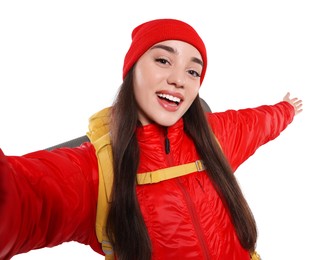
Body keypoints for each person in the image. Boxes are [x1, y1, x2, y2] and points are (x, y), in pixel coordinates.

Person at [0, 18, 303, 260]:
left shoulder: (216, 137)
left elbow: (259, 122)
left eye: (193, 71)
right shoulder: (96, 171)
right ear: (132, 70)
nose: (179, 79)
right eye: (162, 60)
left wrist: (286, 109)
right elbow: (22, 197)